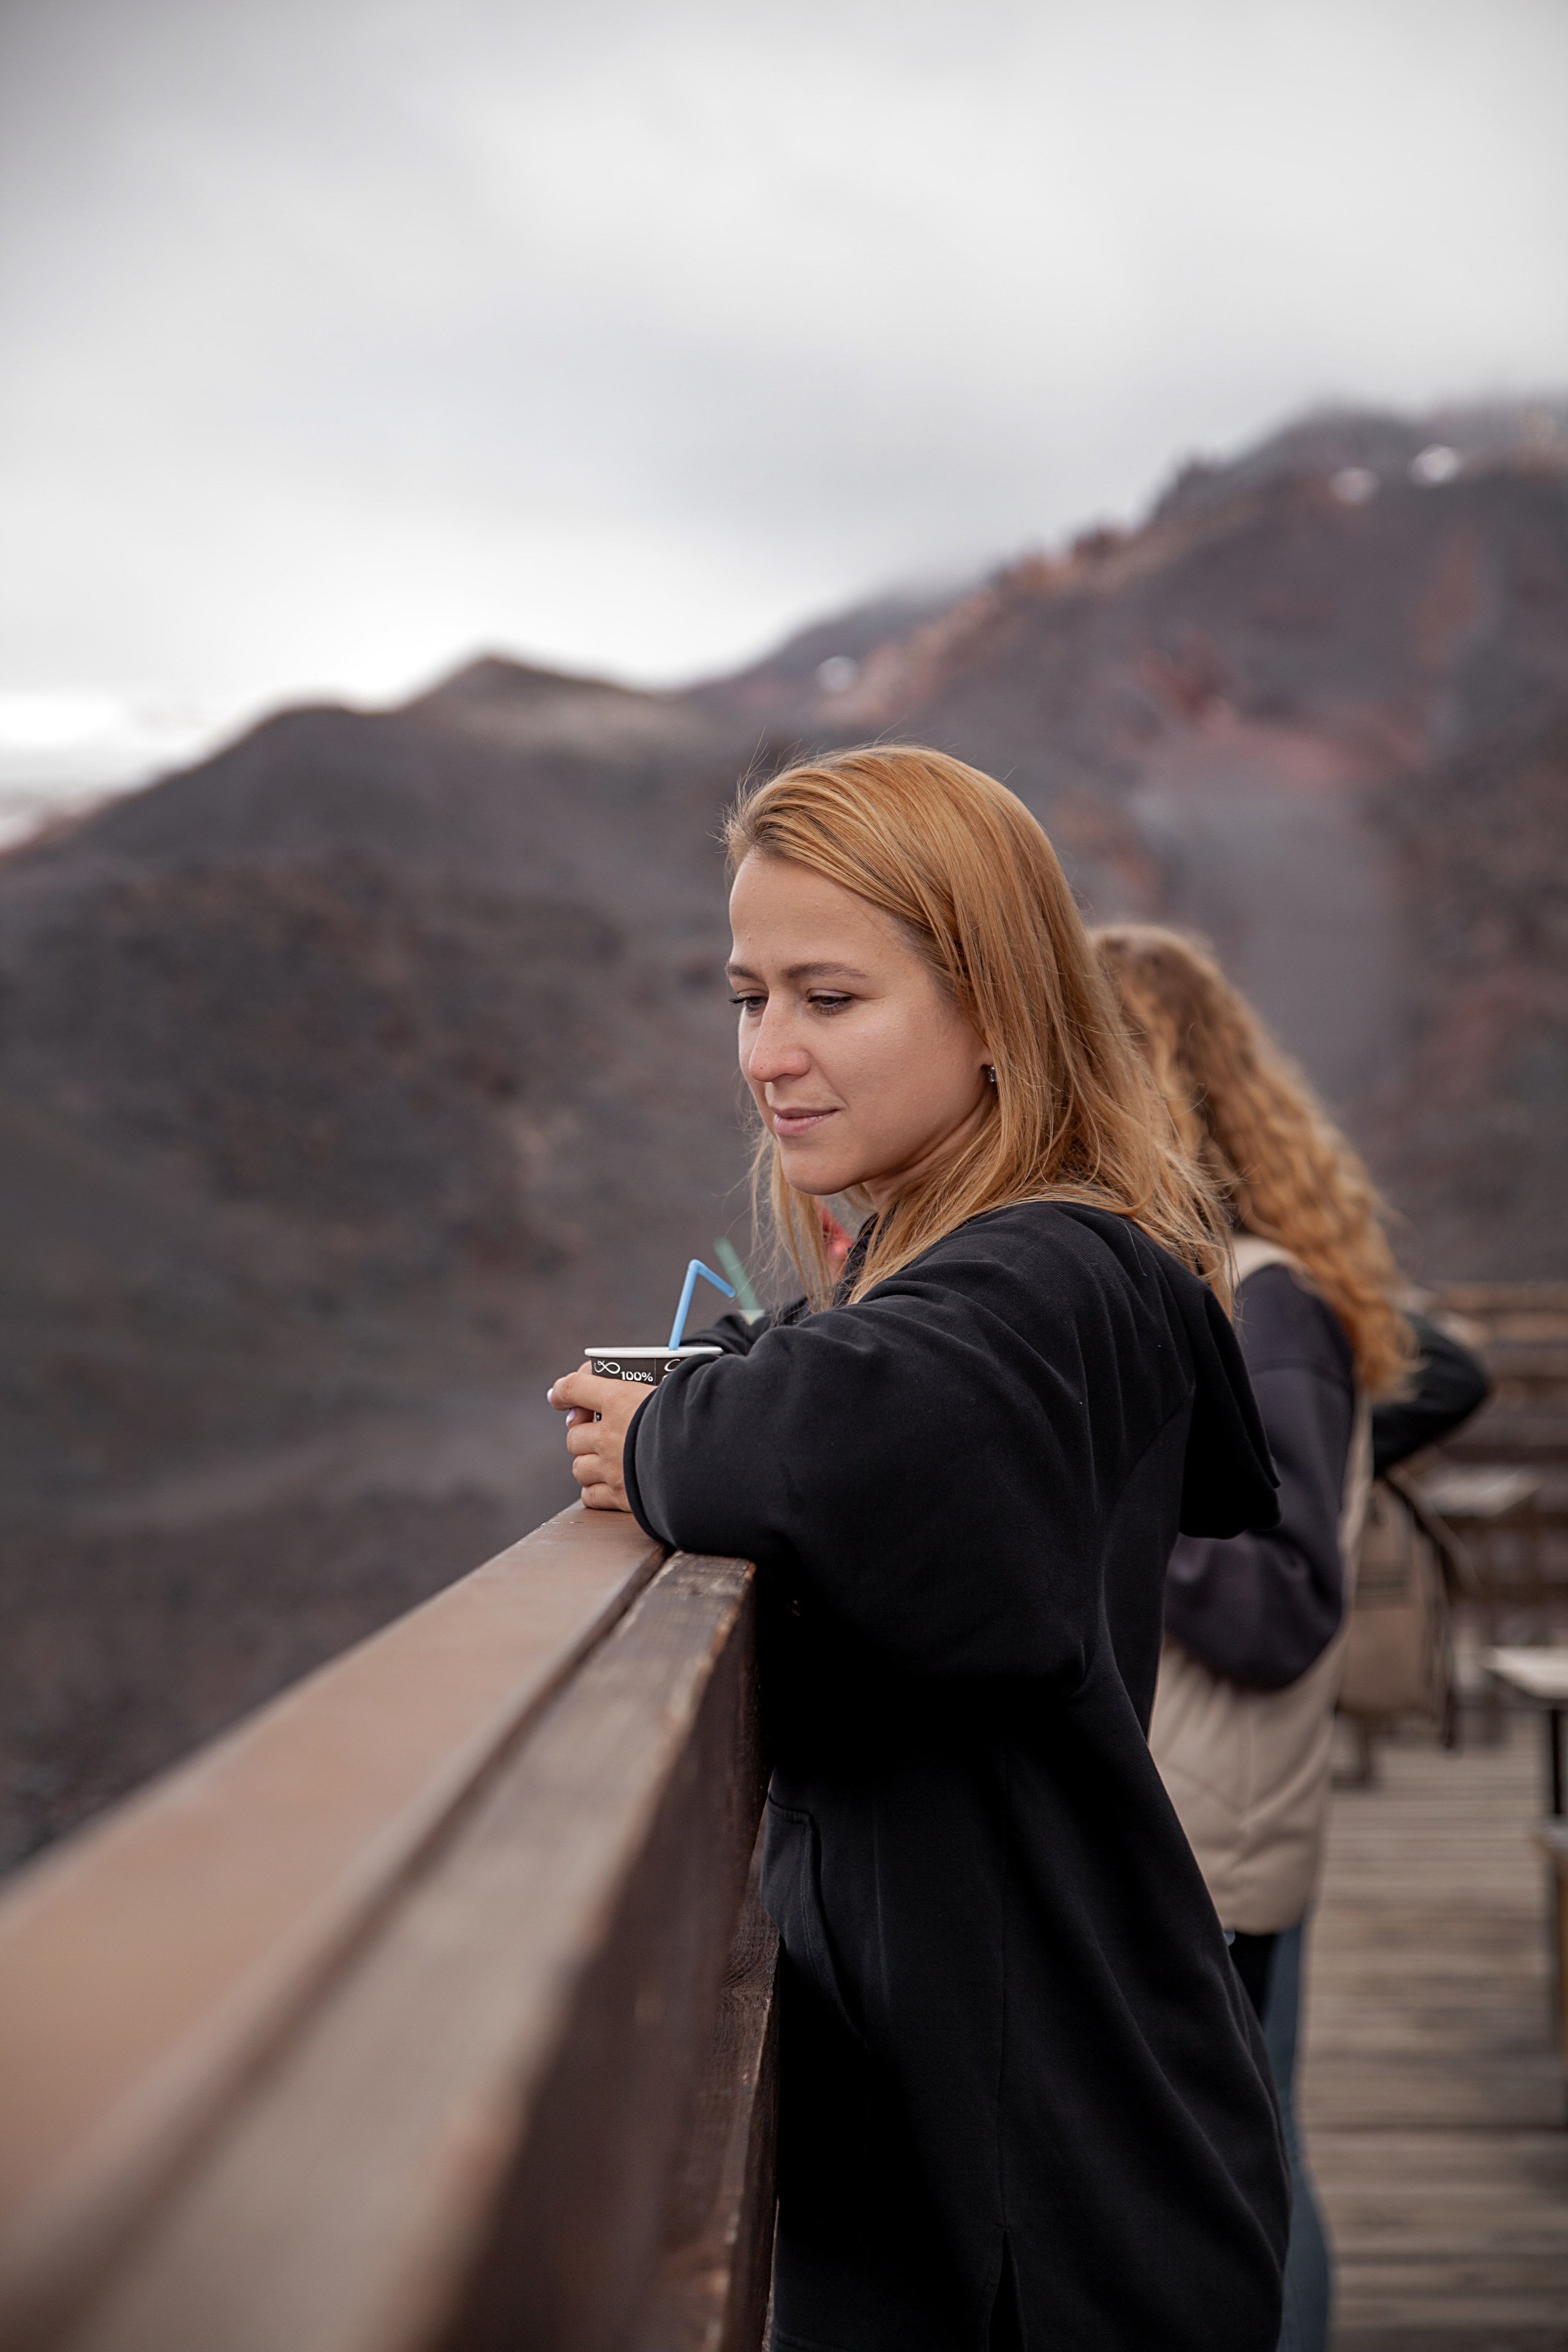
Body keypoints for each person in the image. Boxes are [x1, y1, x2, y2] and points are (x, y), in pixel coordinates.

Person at [551, 748, 1289, 2351]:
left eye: (829, 995)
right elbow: (853, 1397)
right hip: (1009, 2133)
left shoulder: (1057, 1267)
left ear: (997, 1005)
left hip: (1052, 2193)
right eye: (749, 998)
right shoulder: (973, 1270)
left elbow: (845, 1439)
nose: (770, 1053)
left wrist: (661, 1433)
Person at [1092, 924, 1417, 2352]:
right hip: (1198, 1819)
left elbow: (1281, 1601)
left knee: (1237, 2183)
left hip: (1202, 1834)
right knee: (1235, 2164)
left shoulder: (1261, 1303)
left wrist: (1106, 1478)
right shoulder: (1215, 1287)